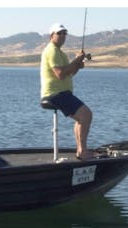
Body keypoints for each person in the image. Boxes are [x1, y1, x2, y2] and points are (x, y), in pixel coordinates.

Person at [40, 23, 93, 160]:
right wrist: (75, 60)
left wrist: (77, 65)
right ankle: (82, 152)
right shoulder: (51, 50)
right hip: (55, 93)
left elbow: (68, 74)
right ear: (51, 36)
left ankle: (81, 150)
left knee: (82, 117)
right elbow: (60, 74)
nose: (63, 36)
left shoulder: (59, 52)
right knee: (86, 115)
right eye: (59, 33)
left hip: (63, 93)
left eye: (65, 33)